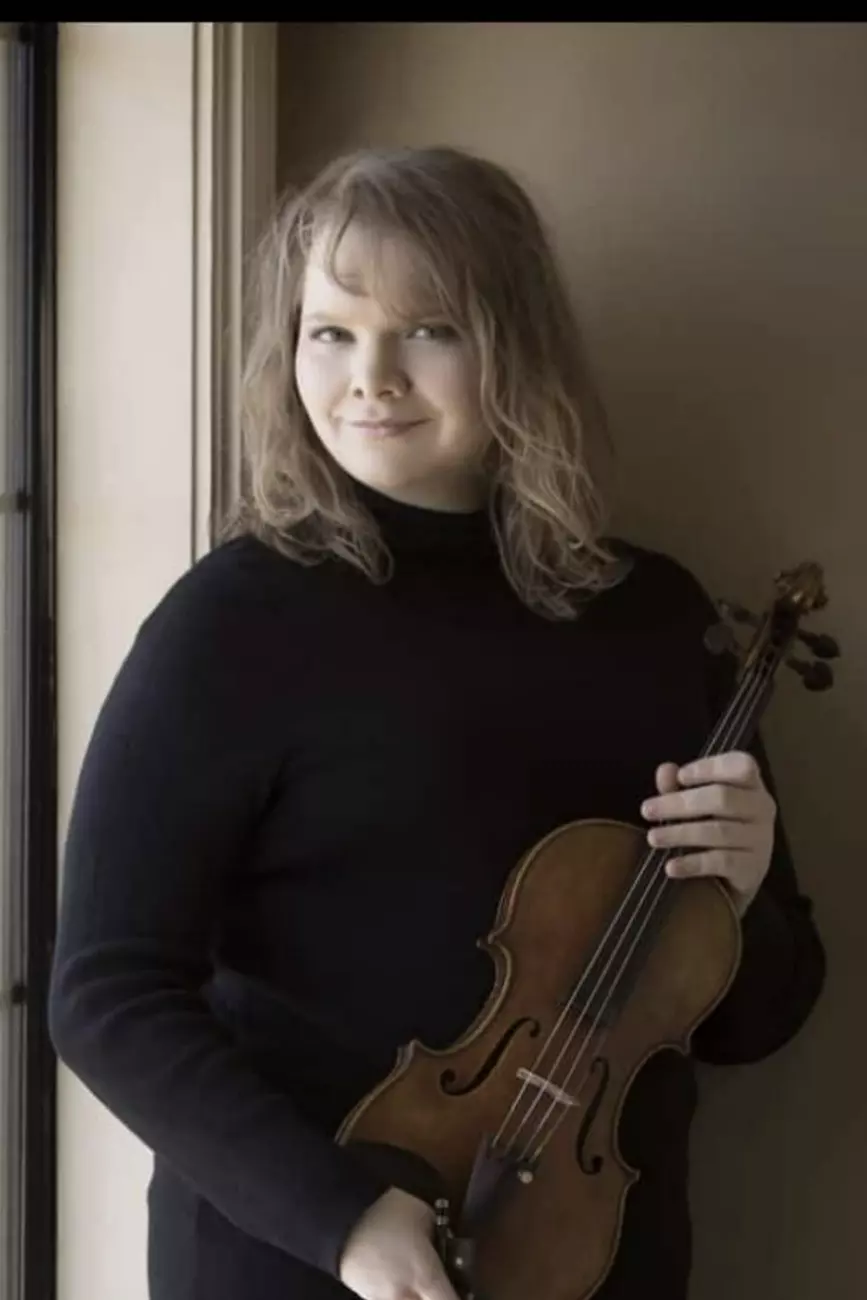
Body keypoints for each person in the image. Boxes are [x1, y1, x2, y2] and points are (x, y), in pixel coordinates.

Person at [48, 145, 826, 1300]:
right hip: (297, 1258)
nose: (371, 376)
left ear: (513, 344)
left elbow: (752, 1023)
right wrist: (343, 1220)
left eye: (430, 329)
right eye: (331, 331)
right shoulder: (232, 620)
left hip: (596, 1257)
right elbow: (106, 994)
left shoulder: (660, 617)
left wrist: (748, 890)